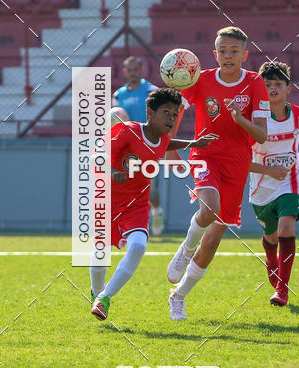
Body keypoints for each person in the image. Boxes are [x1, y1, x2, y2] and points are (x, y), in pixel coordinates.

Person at [166, 26, 270, 320]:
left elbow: (261, 135)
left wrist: (239, 119)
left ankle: (179, 296)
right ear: (215, 54)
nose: (228, 56)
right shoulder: (201, 80)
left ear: (244, 55)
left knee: (212, 239)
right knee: (209, 208)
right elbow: (175, 109)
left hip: (237, 164)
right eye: (222, 51)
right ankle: (186, 248)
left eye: (234, 51)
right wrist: (171, 146)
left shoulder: (255, 83)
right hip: (205, 154)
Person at [90, 88, 217, 320]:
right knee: (100, 253)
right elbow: (96, 156)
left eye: (174, 114)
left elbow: (166, 143)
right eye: (166, 112)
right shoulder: (128, 131)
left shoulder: (162, 138)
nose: (171, 118)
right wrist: (112, 171)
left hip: (137, 203)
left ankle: (105, 298)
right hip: (107, 200)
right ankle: (97, 292)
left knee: (138, 246)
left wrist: (194, 143)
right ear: (149, 112)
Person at [249, 61, 299, 306]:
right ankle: (270, 256)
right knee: (271, 235)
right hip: (261, 186)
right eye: (267, 84)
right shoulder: (253, 120)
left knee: (286, 228)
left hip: (291, 179)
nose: (273, 88)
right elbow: (240, 161)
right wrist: (268, 170)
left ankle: (282, 290)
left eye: (278, 84)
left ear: (288, 88)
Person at [113, 56, 164, 236]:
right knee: (124, 186)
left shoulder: (151, 91)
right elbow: (114, 120)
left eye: (136, 69)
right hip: (126, 148)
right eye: (129, 70)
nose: (132, 73)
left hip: (148, 145)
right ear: (124, 71)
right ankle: (128, 225)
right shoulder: (118, 95)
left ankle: (156, 211)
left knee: (150, 189)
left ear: (142, 70)